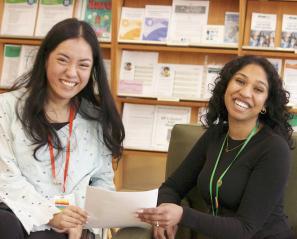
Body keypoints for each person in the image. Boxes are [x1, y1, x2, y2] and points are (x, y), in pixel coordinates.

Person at [137, 55, 295, 239]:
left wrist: (181, 215)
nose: (245, 92)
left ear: (265, 105)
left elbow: (245, 229)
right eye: (240, 81)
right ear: (226, 86)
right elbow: (171, 187)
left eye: (258, 89)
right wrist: (162, 219)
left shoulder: (274, 149)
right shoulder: (216, 134)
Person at [0, 18, 124, 239]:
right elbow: (5, 177)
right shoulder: (6, 107)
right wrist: (50, 214)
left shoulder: (97, 119)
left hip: (73, 225)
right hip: (19, 216)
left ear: (92, 70)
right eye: (63, 60)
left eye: (83, 65)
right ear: (46, 58)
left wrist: (80, 220)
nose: (71, 73)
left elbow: (103, 184)